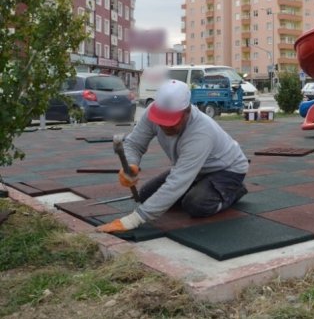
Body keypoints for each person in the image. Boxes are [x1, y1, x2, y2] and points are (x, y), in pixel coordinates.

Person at [97, 79, 249, 233]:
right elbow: (134, 144)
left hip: (226, 169)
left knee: (195, 205)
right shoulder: (152, 111)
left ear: (187, 111)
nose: (165, 126)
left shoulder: (201, 132)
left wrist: (134, 219)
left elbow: (177, 181)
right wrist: (131, 164)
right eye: (161, 120)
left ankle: (234, 191)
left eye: (171, 121)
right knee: (146, 195)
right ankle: (201, 187)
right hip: (194, 169)